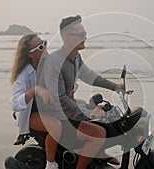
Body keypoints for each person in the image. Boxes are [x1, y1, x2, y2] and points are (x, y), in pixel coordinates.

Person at [37, 15, 123, 169]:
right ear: (66, 37)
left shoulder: (76, 57)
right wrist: (88, 114)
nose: (85, 37)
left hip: (66, 112)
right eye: (81, 34)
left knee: (105, 120)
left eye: (85, 34)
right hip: (56, 115)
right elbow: (60, 98)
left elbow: (90, 76)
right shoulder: (55, 62)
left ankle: (96, 154)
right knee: (99, 135)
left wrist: (114, 86)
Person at [10, 34, 62, 169]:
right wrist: (35, 90)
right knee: (56, 126)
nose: (44, 48)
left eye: (44, 43)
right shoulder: (24, 75)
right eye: (40, 46)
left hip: (48, 109)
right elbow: (15, 103)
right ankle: (51, 164)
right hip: (30, 113)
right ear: (30, 54)